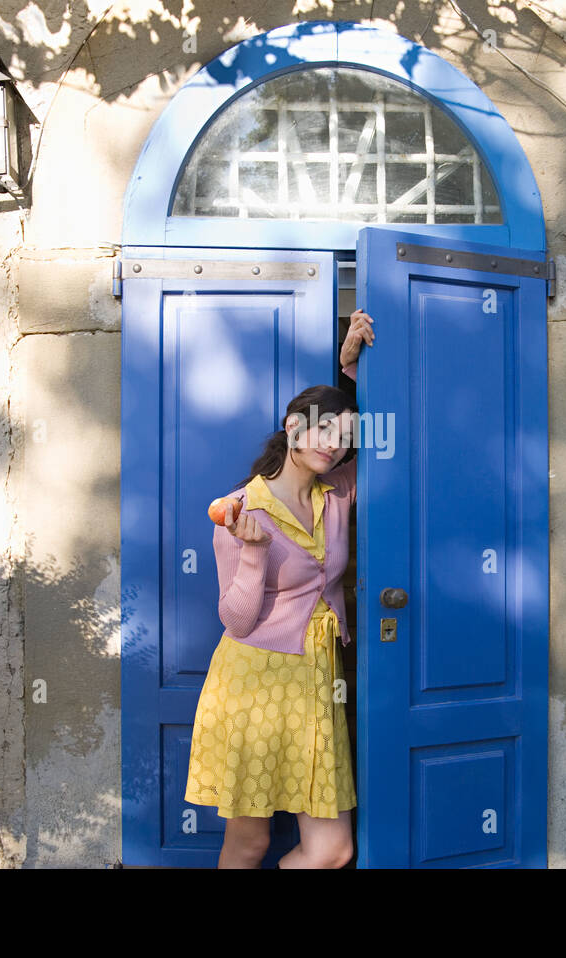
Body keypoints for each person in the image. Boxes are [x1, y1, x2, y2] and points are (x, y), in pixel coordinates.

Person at [184, 308, 376, 868]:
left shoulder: (337, 491)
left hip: (319, 680)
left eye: (344, 439)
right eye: (324, 432)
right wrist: (252, 553)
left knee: (333, 851)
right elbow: (237, 620)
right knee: (251, 843)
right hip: (255, 685)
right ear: (294, 428)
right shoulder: (243, 509)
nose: (335, 447)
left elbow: (403, 442)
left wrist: (351, 372)